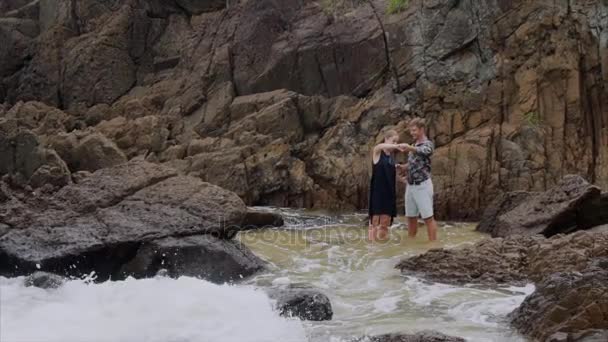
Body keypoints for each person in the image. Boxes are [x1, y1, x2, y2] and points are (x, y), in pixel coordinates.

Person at [398, 118, 438, 241]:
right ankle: (411, 242)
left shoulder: (427, 144)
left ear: (421, 129)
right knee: (410, 217)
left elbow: (425, 152)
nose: (412, 133)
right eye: (411, 131)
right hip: (410, 186)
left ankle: (433, 245)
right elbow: (413, 164)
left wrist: (409, 148)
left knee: (428, 218)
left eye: (414, 130)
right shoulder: (414, 145)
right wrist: (402, 167)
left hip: (422, 186)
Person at [368, 129, 406, 241]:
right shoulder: (377, 153)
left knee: (385, 223)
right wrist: (397, 146)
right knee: (374, 223)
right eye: (393, 141)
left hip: (389, 193)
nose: (395, 144)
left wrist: (402, 180)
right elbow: (379, 146)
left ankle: (382, 249)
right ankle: (371, 248)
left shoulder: (391, 158)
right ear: (386, 139)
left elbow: (391, 175)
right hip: (377, 193)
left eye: (396, 142)